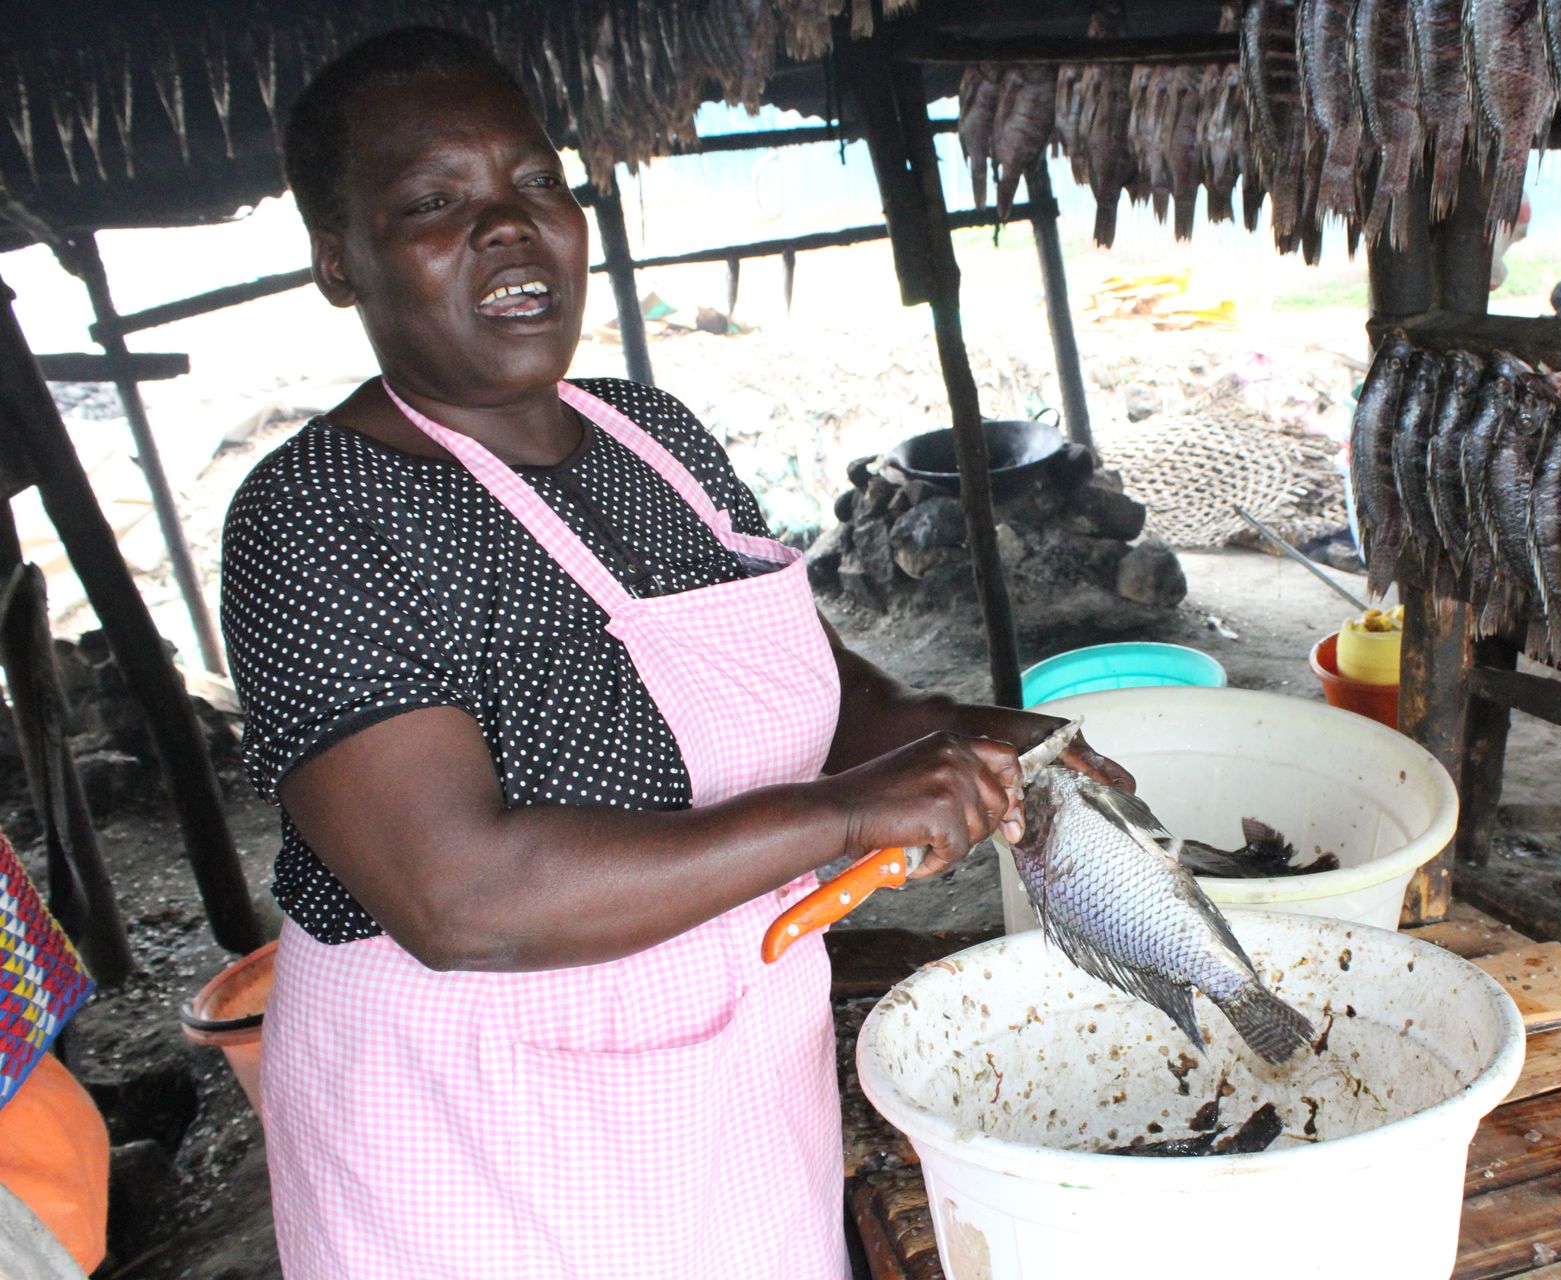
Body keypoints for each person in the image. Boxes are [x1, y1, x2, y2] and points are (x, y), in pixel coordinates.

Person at [220, 28, 1132, 1278]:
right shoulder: (322, 511)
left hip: (733, 1070)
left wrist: (976, 736)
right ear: (340, 258)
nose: (508, 226)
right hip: (481, 1121)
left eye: (536, 181)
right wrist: (847, 814)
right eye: (437, 202)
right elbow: (461, 899)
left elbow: (826, 696)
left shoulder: (652, 436)